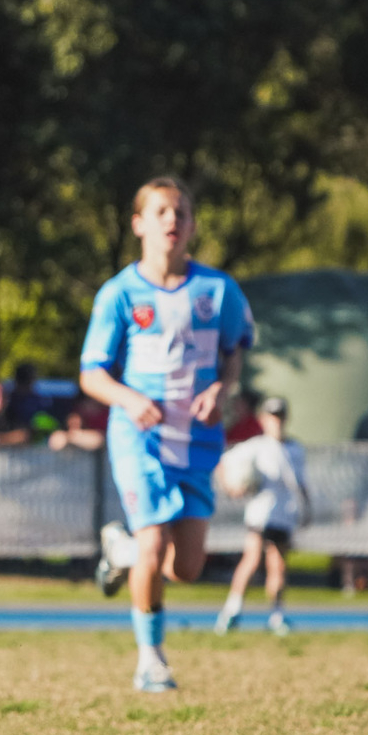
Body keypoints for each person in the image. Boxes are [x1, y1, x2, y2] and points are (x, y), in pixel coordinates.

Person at [80, 176, 253, 693]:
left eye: (180, 212)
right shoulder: (118, 294)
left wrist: (222, 388)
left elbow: (235, 352)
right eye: (160, 212)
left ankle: (123, 553)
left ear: (193, 224)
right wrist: (131, 400)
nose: (171, 220)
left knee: (189, 566)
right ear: (138, 224)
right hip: (141, 439)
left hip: (196, 440)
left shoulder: (218, 290)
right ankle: (150, 658)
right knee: (154, 540)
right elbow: (92, 373)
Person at [214, 397, 311, 637]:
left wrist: (306, 509)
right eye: (271, 417)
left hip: (284, 514)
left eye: (279, 417)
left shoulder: (295, 449)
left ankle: (277, 615)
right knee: (252, 559)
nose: (276, 422)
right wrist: (231, 487)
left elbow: (301, 484)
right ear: (263, 419)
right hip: (261, 512)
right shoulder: (256, 446)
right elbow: (223, 462)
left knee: (277, 566)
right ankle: (231, 610)